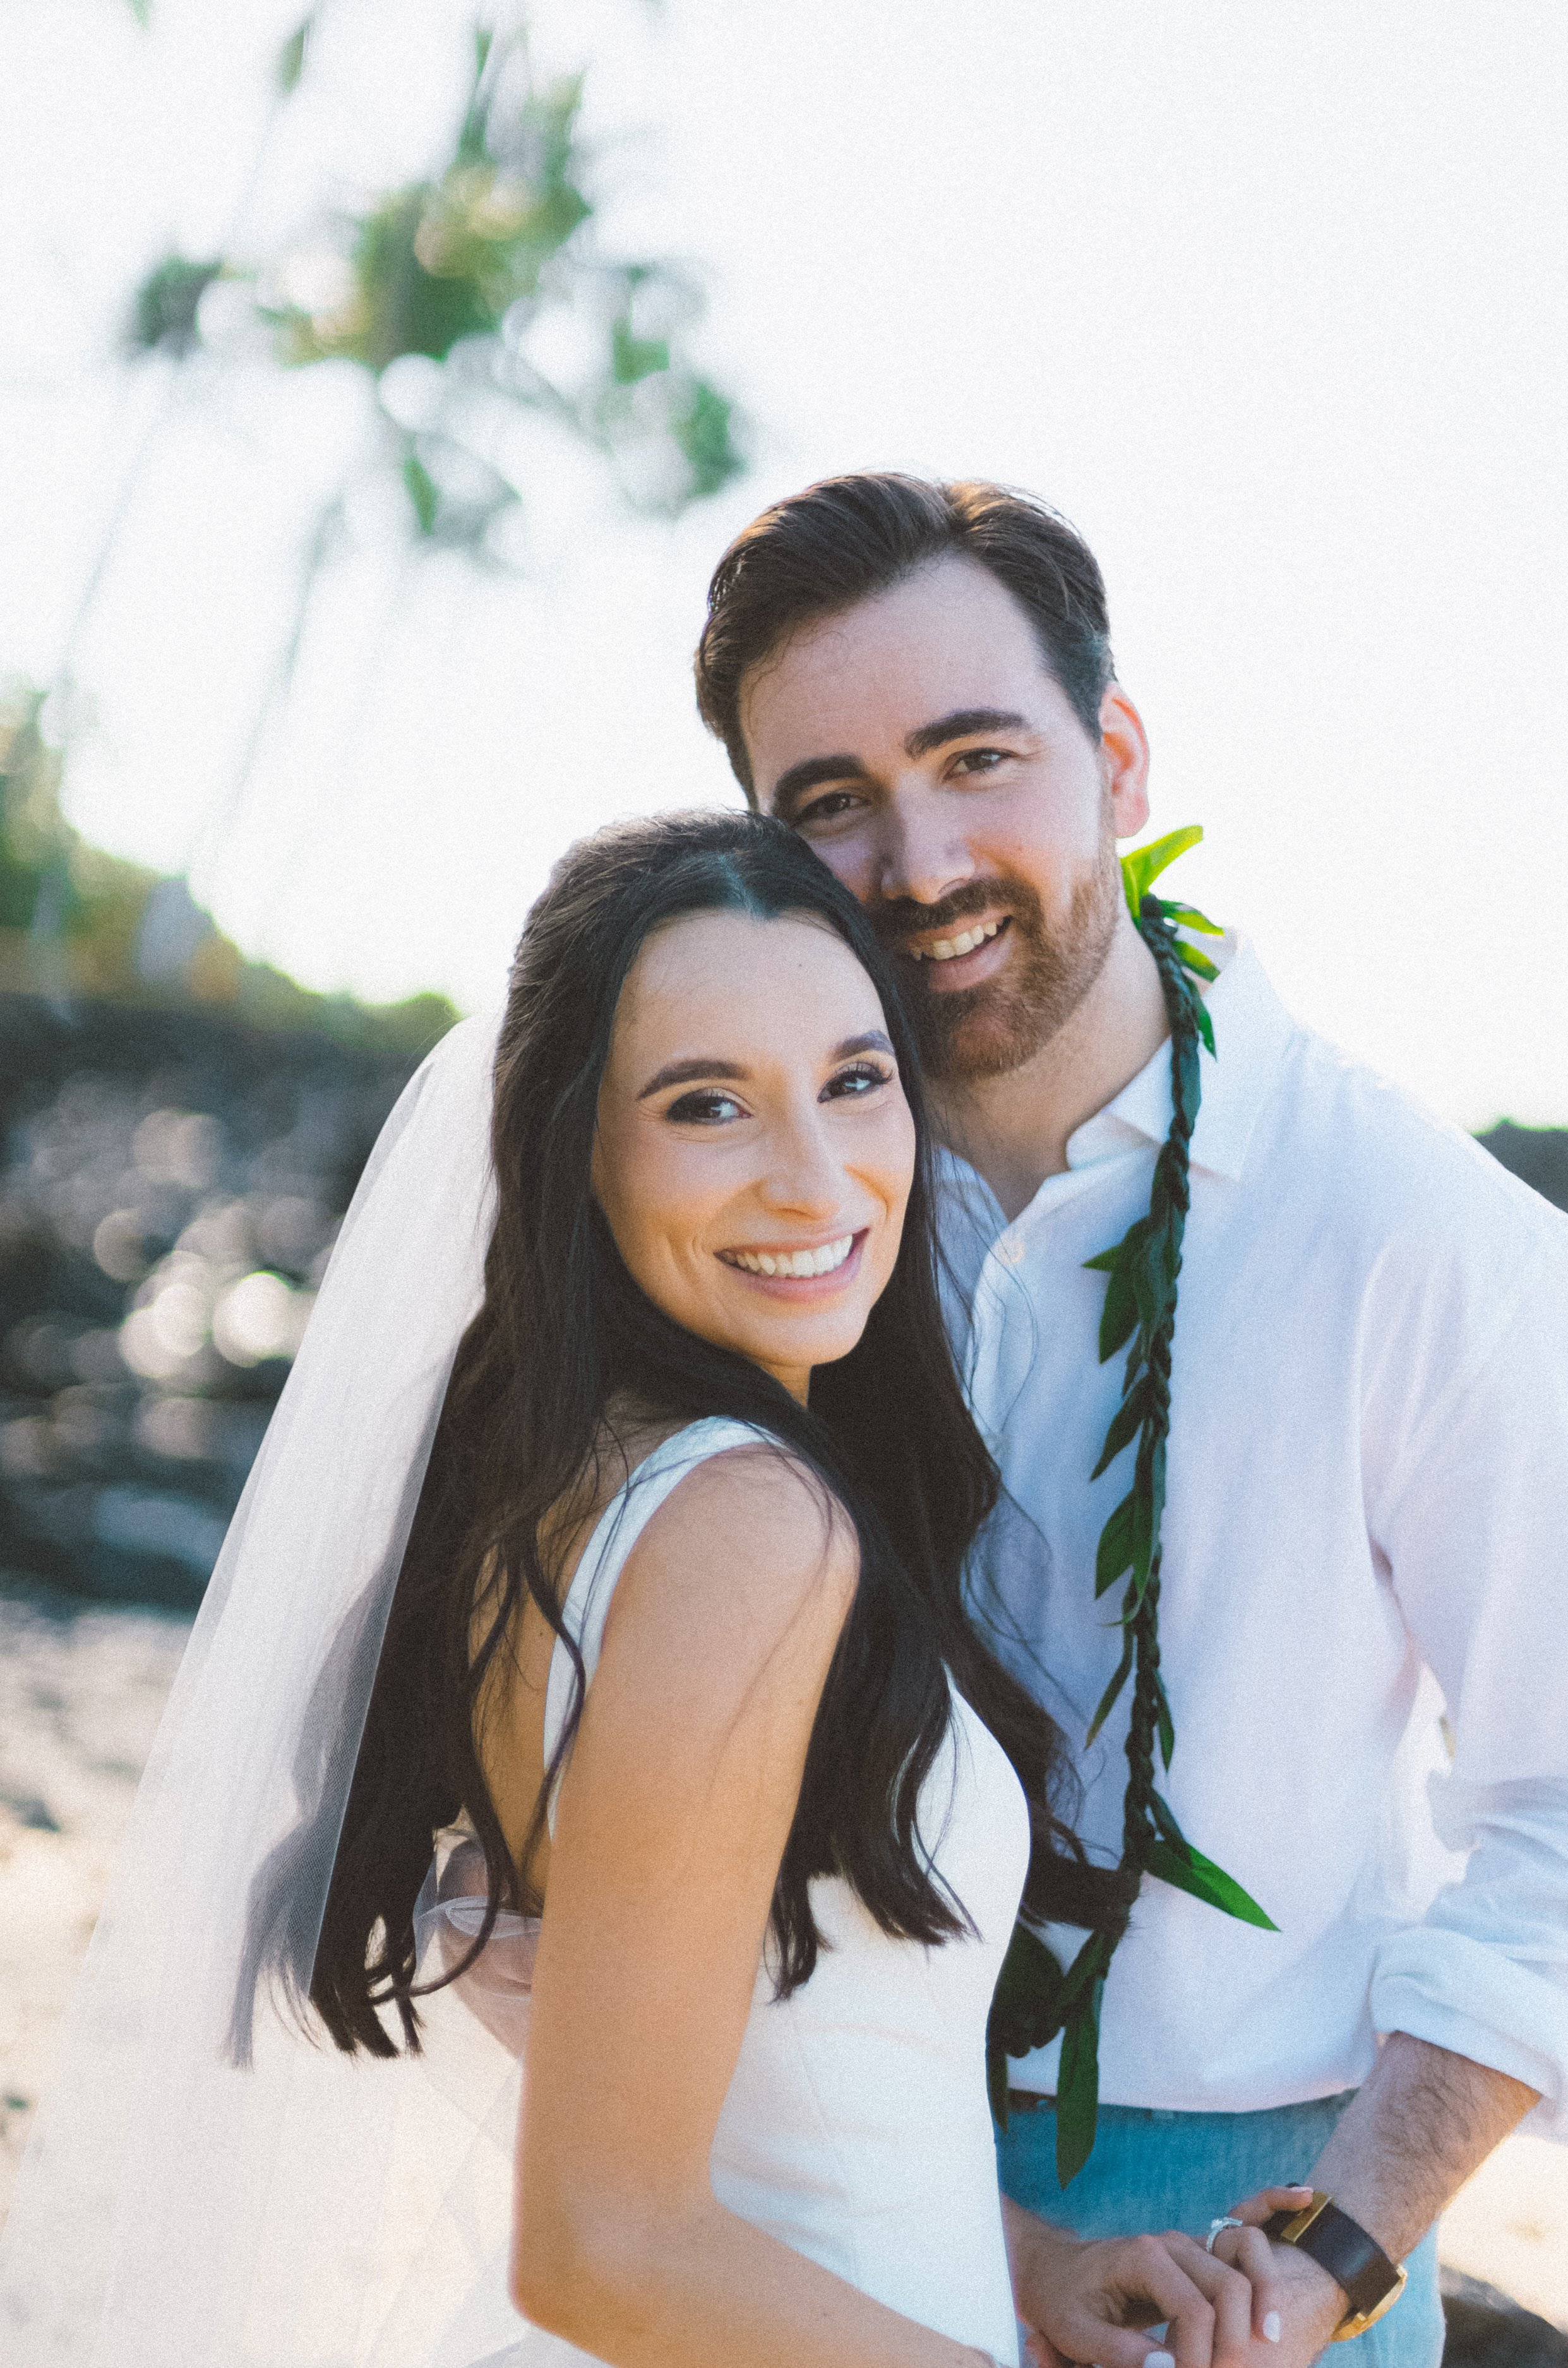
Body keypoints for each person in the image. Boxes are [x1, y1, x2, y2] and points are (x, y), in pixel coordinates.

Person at [0, 809, 1302, 2368]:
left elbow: (691, 2048)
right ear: (577, 1151)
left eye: (853, 1080)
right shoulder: (747, 1528)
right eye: (708, 1107)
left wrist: (1021, 2259)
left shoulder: (565, 1493)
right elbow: (601, 2245)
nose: (815, 1180)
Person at [692, 475, 1568, 2368]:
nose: (916, 861)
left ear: (1113, 756)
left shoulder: (1420, 1239)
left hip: (1251, 2225)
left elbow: (1565, 1808)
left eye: (975, 757)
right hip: (809, 2181)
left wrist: (1332, 2248)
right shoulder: (769, 1224)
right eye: (827, 802)